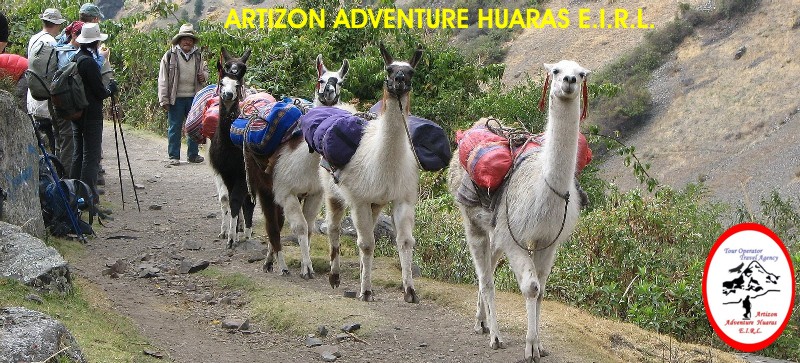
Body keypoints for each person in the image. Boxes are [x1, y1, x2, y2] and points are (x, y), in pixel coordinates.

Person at [71, 23, 117, 205]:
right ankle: (89, 196)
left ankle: (74, 192)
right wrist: (110, 89)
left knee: (78, 154)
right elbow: (99, 91)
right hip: (91, 114)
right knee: (91, 156)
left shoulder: (77, 57)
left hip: (78, 113)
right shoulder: (89, 62)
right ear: (96, 42)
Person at [157, 24, 208, 165]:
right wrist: (164, 99)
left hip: (194, 97)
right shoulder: (170, 55)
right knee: (174, 126)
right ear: (179, 40)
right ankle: (174, 156)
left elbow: (205, 71)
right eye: (185, 39)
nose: (187, 42)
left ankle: (193, 155)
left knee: (194, 127)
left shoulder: (198, 55)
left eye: (190, 39)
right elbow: (163, 79)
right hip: (176, 98)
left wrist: (204, 76)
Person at [27, 8, 66, 153]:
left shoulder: (34, 38)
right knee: (53, 141)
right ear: (56, 24)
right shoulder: (51, 42)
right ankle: (56, 173)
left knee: (41, 143)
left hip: (33, 96)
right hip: (46, 102)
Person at [52, 21, 84, 175]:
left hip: (56, 100)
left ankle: (59, 176)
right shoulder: (71, 54)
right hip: (66, 103)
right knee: (68, 141)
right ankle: (65, 181)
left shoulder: (59, 47)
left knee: (60, 139)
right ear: (73, 35)